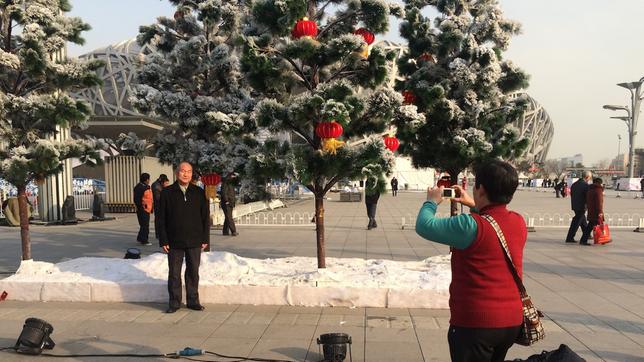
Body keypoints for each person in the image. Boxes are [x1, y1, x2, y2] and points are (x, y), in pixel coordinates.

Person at [416, 159, 526, 362]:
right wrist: (473, 204)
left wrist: (431, 200)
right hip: (511, 322)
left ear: (481, 188)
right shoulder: (518, 221)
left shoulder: (470, 225)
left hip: (476, 324)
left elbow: (424, 225)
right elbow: (493, 222)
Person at [158, 162, 209, 313]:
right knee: (174, 272)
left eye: (189, 171)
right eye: (182, 171)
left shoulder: (199, 192)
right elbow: (161, 219)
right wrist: (163, 240)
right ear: (176, 173)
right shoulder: (167, 193)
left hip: (194, 239)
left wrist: (205, 238)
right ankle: (174, 302)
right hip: (174, 241)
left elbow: (205, 218)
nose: (186, 174)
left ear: (192, 174)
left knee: (193, 271)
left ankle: (193, 301)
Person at [565, 171, 591, 244]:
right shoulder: (585, 185)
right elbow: (587, 197)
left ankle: (587, 234)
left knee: (582, 220)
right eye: (589, 178)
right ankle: (570, 237)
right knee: (576, 222)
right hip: (582, 206)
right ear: (587, 177)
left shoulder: (574, 184)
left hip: (575, 205)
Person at [580, 178, 605, 245]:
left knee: (591, 226)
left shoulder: (590, 189)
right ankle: (602, 239)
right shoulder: (598, 190)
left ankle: (601, 239)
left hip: (591, 210)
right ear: (600, 183)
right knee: (595, 226)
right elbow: (599, 202)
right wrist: (600, 212)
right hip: (596, 211)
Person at [133, 173, 153, 246]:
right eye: (149, 179)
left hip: (147, 208)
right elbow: (137, 200)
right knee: (145, 225)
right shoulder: (139, 187)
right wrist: (141, 208)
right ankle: (144, 240)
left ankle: (140, 238)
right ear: (146, 179)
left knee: (144, 224)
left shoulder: (147, 187)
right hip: (143, 209)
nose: (149, 180)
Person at [151, 174, 170, 240]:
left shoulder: (159, 185)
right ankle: (158, 234)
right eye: (165, 182)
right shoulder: (156, 186)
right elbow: (158, 198)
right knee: (159, 220)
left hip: (162, 205)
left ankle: (161, 233)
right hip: (158, 205)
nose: (166, 183)